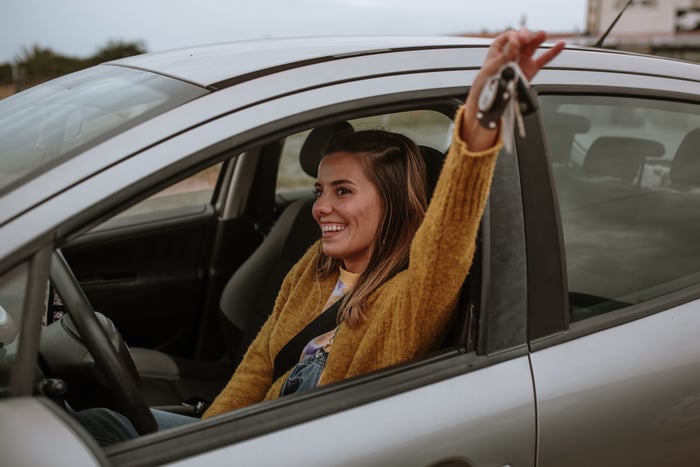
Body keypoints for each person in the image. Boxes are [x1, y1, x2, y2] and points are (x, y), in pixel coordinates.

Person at [75, 28, 564, 444]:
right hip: (241, 440)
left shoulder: (409, 299)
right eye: (319, 189)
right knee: (94, 424)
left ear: (392, 202)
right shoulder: (314, 267)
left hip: (297, 448)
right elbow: (257, 368)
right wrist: (210, 439)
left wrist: (480, 120)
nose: (320, 207)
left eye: (343, 191)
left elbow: (447, 238)